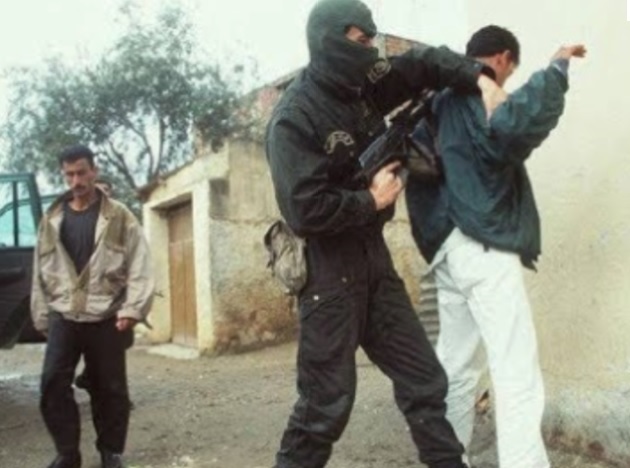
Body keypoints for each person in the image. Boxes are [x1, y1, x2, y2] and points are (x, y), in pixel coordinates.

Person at [264, 1, 506, 467]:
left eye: (373, 39)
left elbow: (423, 63)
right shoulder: (294, 117)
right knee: (324, 408)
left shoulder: (364, 86)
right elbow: (303, 210)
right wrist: (370, 200)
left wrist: (481, 79)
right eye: (360, 40)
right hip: (328, 275)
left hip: (374, 263)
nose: (371, 50)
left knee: (425, 382)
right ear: (329, 41)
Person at [405, 25, 586, 467]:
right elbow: (516, 124)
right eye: (509, 72)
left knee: (457, 367)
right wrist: (556, 70)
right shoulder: (477, 93)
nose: (504, 83)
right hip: (481, 245)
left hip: (446, 248)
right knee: (515, 368)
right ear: (502, 59)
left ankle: (448, 460)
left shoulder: (436, 99)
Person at [31, 144, 154, 468]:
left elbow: (140, 263)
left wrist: (132, 309)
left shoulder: (119, 215)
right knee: (52, 384)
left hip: (106, 316)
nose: (76, 181)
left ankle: (110, 452)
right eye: (69, 174)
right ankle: (67, 453)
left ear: (94, 171)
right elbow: (40, 270)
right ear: (63, 175)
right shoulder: (51, 219)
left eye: (81, 172)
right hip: (64, 315)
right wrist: (41, 316)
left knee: (110, 389)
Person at [73, 177, 135, 406]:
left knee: (123, 341)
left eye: (106, 190)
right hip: (91, 297)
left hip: (117, 295)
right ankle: (114, 397)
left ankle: (89, 377)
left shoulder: (121, 220)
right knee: (105, 346)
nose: (103, 195)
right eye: (98, 190)